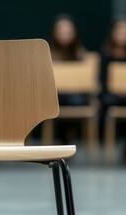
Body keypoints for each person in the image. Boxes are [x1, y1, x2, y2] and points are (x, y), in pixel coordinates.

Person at [99, 19, 126, 164]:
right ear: (113, 33)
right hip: (111, 94)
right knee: (107, 103)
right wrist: (114, 90)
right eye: (120, 31)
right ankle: (108, 145)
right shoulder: (105, 55)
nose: (124, 35)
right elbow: (103, 80)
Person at [49, 14, 88, 143]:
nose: (65, 35)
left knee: (75, 100)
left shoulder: (81, 54)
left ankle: (68, 137)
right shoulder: (48, 54)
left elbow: (87, 80)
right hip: (54, 96)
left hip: (75, 96)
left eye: (68, 32)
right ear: (55, 33)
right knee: (59, 101)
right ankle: (62, 138)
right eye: (61, 31)